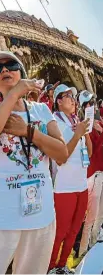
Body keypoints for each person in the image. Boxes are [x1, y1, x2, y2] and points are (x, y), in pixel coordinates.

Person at [0, 51, 68, 274]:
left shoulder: (42, 110)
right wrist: (13, 95)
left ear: (22, 73)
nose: (4, 70)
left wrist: (28, 131)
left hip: (41, 214)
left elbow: (62, 154)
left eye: (11, 65)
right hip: (1, 215)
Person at [48, 85, 92, 274]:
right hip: (64, 187)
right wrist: (78, 134)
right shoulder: (55, 123)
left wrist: (86, 132)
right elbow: (61, 157)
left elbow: (88, 154)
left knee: (74, 231)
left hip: (81, 185)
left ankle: (62, 266)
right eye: (68, 96)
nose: (73, 100)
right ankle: (49, 268)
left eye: (74, 97)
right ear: (58, 100)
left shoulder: (76, 122)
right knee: (60, 232)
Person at [79, 95, 103, 257]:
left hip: (100, 173)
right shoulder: (84, 127)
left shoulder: (99, 124)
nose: (92, 107)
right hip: (93, 175)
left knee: (99, 215)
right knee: (89, 218)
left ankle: (93, 246)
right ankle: (82, 251)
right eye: (88, 104)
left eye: (93, 103)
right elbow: (92, 153)